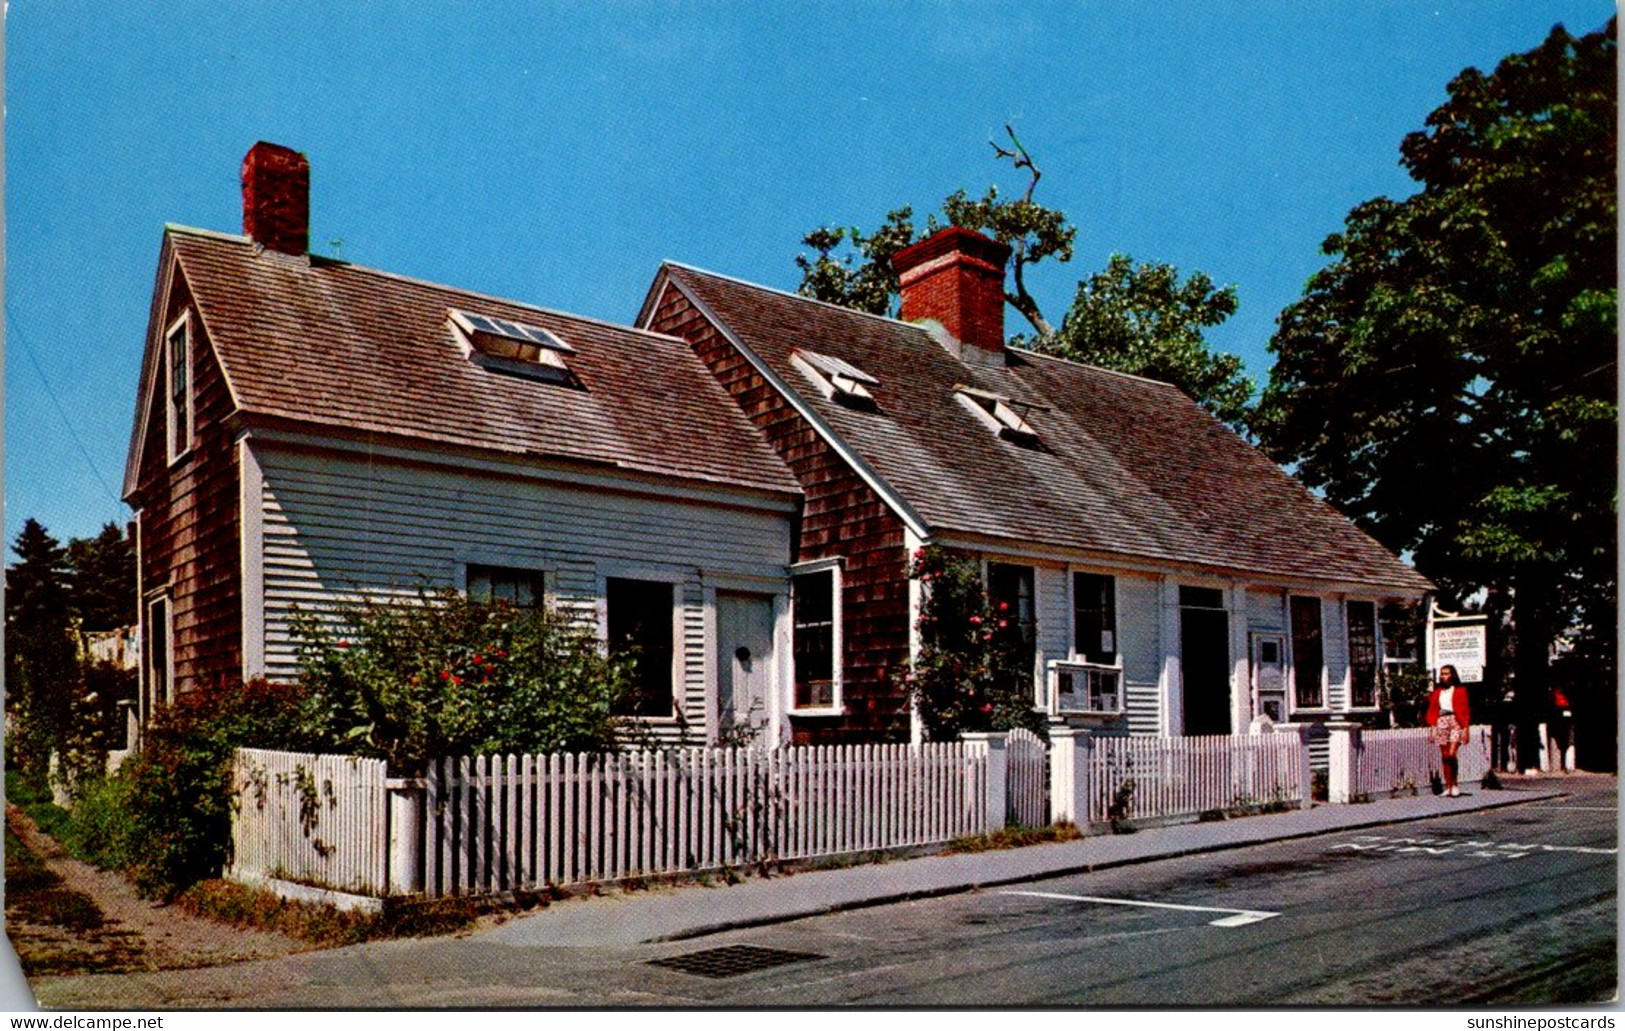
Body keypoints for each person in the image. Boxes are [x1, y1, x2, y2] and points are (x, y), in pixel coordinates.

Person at [1426, 665, 1472, 796]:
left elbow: (1465, 710)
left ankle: (1455, 783)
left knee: (1452, 753)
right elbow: (1432, 710)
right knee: (1445, 755)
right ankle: (1448, 786)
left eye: (1446, 674)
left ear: (1452, 675)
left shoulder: (1459, 691)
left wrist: (1465, 729)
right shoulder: (1437, 692)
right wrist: (1433, 727)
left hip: (1455, 721)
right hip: (1442, 720)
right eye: (1442, 674)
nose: (1443, 676)